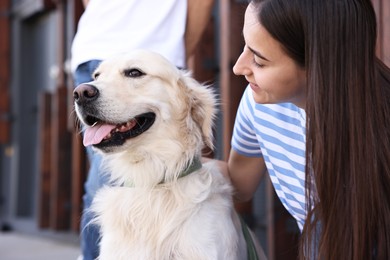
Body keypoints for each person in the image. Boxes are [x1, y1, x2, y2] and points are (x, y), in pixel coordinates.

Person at [224, 0, 390, 259]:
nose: (239, 68)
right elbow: (238, 184)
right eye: (245, 46)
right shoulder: (259, 103)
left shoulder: (379, 122)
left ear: (318, 66)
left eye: (259, 60)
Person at [71, 0, 215, 259]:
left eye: (133, 73)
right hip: (94, 49)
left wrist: (176, 51)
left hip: (159, 47)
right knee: (105, 181)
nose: (84, 94)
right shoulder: (94, 80)